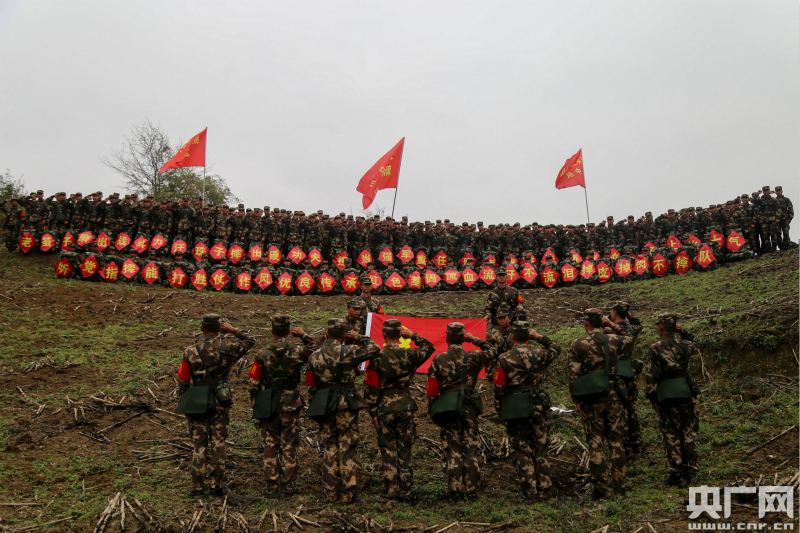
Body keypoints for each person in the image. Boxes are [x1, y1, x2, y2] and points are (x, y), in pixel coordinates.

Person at [176, 315, 255, 497]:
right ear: (220, 329)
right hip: (220, 399)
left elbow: (183, 381)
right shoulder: (228, 348)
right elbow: (250, 340)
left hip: (197, 400)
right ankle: (216, 485)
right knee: (218, 442)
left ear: (201, 329)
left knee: (199, 443)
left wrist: (186, 404)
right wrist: (233, 330)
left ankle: (197, 487)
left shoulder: (190, 351)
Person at [305, 318, 381, 503]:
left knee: (329, 447)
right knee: (347, 447)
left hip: (324, 404)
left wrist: (315, 404)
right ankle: (348, 493)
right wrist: (359, 337)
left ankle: (331, 492)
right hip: (346, 404)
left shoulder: (314, 356)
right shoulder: (350, 351)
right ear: (344, 337)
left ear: (326, 334)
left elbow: (310, 385)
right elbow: (375, 348)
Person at [363, 320, 436, 503]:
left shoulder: (377, 359)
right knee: (405, 450)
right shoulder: (410, 354)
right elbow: (430, 347)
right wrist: (413, 336)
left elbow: (370, 387)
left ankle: (392, 491)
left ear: (384, 335)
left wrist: (372, 412)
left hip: (385, 407)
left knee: (388, 450)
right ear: (400, 335)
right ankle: (406, 491)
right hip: (405, 406)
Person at [248, 315, 317, 497]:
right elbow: (316, 352)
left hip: (268, 401)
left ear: (271, 331)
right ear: (288, 331)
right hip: (291, 402)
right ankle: (288, 485)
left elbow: (253, 383)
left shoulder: (262, 353)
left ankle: (271, 485)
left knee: (270, 443)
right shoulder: (298, 351)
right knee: (289, 443)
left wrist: (256, 406)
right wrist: (303, 335)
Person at [426, 323, 496, 502]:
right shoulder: (474, 356)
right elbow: (492, 349)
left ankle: (455, 490)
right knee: (470, 449)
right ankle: (471, 489)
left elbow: (432, 390)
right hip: (469, 408)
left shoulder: (439, 359)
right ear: (463, 339)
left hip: (448, 409)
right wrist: (475, 340)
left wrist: (434, 412)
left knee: (453, 450)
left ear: (447, 338)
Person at [567, 309, 632, 500]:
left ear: (586, 323)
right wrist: (613, 326)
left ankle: (600, 488)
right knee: (616, 441)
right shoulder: (614, 340)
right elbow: (630, 337)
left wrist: (577, 400)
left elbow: (573, 376)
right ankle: (620, 486)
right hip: (614, 396)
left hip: (591, 398)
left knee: (595, 443)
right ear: (601, 323)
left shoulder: (578, 344)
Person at [492, 321, 561, 500]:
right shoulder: (539, 354)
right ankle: (544, 487)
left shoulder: (504, 358)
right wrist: (539, 337)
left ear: (512, 337)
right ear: (528, 337)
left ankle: (529, 489)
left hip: (515, 406)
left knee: (521, 448)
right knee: (540, 446)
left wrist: (500, 411)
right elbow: (556, 348)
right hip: (537, 404)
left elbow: (499, 388)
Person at [645, 314, 700, 488]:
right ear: (675, 327)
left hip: (667, 394)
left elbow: (651, 375)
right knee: (689, 432)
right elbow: (695, 344)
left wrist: (652, 398)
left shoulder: (655, 348)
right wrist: (683, 332)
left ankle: (676, 473)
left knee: (671, 433)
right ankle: (690, 469)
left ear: (661, 327)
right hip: (686, 391)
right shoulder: (685, 345)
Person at [607, 302, 644, 459]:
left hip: (616, 372)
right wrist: (630, 316)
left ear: (614, 312)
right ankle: (636, 443)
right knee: (632, 408)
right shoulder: (632, 329)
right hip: (630, 370)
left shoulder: (610, 331)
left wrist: (610, 323)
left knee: (620, 410)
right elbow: (639, 325)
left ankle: (626, 446)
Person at [483, 268, 525, 336]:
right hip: (499, 320)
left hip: (511, 318)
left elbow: (520, 302)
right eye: (499, 275)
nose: (501, 277)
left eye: (503, 275)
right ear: (496, 277)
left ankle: (522, 330)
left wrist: (519, 306)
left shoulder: (513, 290)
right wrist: (487, 315)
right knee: (494, 339)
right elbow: (489, 308)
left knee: (516, 336)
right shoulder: (492, 293)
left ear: (507, 276)